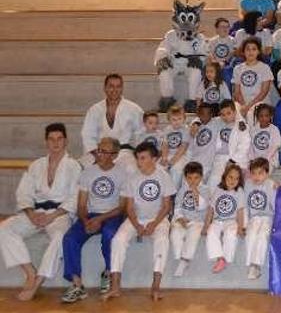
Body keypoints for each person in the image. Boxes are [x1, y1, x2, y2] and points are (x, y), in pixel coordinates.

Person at [0, 123, 81, 302]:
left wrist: (52, 216)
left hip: (59, 214)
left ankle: (37, 281)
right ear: (46, 142)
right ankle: (29, 271)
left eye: (59, 139)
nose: (55, 143)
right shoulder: (36, 165)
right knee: (4, 228)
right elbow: (23, 193)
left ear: (66, 141)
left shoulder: (73, 166)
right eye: (51, 139)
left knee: (60, 238)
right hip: (36, 213)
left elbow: (75, 197)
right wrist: (31, 214)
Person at [104, 142, 173, 302]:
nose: (139, 162)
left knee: (162, 240)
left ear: (154, 159)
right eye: (137, 158)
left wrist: (154, 224)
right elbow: (129, 208)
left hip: (158, 218)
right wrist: (137, 226)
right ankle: (115, 287)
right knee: (117, 240)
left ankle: (155, 287)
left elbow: (167, 206)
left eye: (143, 158)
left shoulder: (163, 176)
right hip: (135, 218)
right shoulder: (132, 178)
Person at [59, 137, 125, 303]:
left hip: (112, 215)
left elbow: (122, 207)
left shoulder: (123, 174)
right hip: (90, 215)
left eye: (104, 151)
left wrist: (100, 219)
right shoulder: (88, 172)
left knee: (110, 235)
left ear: (114, 155)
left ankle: (109, 272)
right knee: (69, 238)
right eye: (99, 150)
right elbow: (81, 204)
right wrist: (86, 220)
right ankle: (77, 285)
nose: (99, 154)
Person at [81, 74, 144, 163]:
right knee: (81, 167)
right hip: (99, 152)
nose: (115, 90)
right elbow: (87, 135)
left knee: (131, 168)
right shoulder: (95, 110)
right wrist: (96, 154)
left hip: (124, 152)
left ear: (122, 88)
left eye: (118, 87)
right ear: (105, 88)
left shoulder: (134, 109)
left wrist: (137, 153)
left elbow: (140, 134)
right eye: (111, 86)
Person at [169, 161, 208, 279]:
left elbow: (203, 206)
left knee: (193, 236)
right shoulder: (182, 190)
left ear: (201, 177)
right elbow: (178, 206)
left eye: (196, 178)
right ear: (185, 177)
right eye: (189, 178)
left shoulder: (205, 189)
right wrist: (180, 218)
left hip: (198, 221)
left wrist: (196, 193)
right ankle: (179, 256)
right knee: (175, 233)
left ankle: (185, 259)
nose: (193, 181)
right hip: (183, 219)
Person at [205, 164, 246, 274]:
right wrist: (206, 226)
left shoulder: (239, 192)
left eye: (236, 178)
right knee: (211, 232)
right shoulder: (218, 189)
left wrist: (240, 228)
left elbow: (240, 211)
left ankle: (227, 258)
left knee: (231, 233)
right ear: (224, 177)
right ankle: (220, 258)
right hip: (217, 220)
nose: (233, 181)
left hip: (231, 221)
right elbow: (211, 209)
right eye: (230, 177)